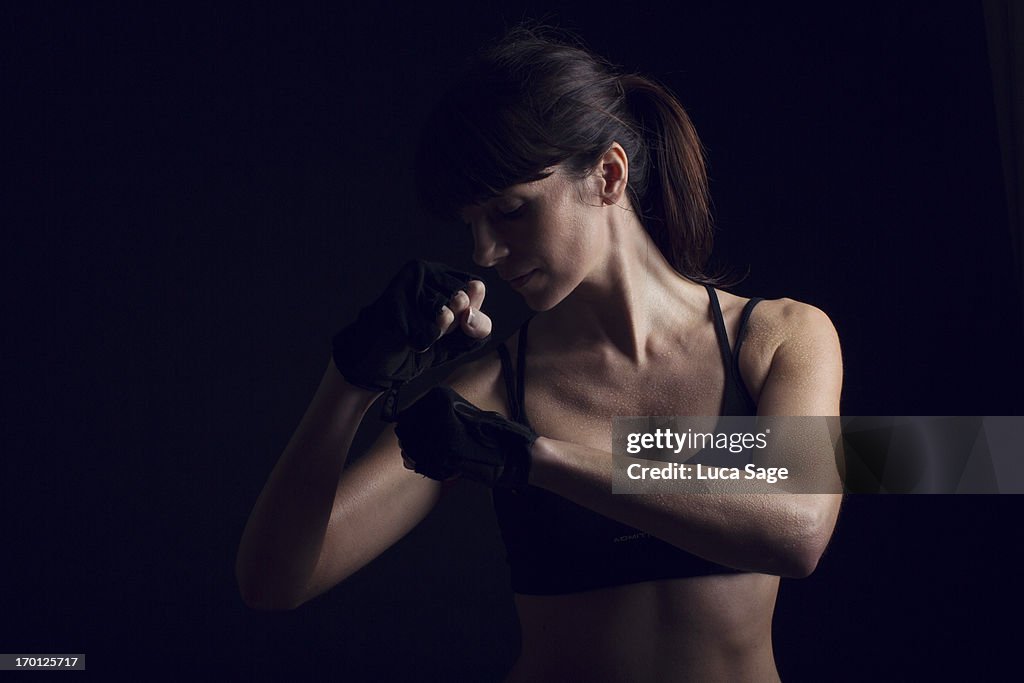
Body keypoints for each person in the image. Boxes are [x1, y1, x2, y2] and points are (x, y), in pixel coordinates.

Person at [236, 23, 844, 682]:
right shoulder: (493, 393)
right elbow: (274, 581)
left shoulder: (779, 338)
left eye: (512, 211)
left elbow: (796, 527)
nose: (485, 253)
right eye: (472, 224)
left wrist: (535, 457)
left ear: (608, 175)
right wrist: (349, 380)